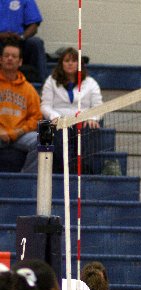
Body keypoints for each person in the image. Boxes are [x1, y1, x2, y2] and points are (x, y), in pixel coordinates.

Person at [40, 47, 103, 174]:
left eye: (74, 61)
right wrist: (55, 117)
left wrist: (92, 118)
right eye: (67, 60)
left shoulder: (91, 83)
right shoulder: (51, 81)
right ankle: (64, 168)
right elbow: (45, 106)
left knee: (91, 127)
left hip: (82, 121)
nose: (70, 63)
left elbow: (98, 106)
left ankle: (85, 170)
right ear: (61, 63)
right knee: (52, 128)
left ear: (79, 64)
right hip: (59, 121)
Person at [0, 38, 41, 173]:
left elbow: (35, 117)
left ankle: (27, 179)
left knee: (43, 140)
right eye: (6, 56)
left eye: (14, 56)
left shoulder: (29, 89)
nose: (10, 59)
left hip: (20, 134)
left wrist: (19, 131)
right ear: (1, 59)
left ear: (20, 62)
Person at [0, 0, 47, 82]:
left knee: (36, 43)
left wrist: (22, 37)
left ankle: (43, 83)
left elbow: (34, 25)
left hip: (20, 40)